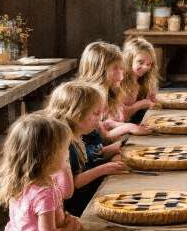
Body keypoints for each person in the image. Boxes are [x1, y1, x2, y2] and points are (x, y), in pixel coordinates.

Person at [43, 81, 127, 216]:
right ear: (76, 114)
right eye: (95, 113)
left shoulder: (79, 137)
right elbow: (74, 183)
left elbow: (91, 157)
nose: (100, 119)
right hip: (77, 207)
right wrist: (104, 168)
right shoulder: (65, 145)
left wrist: (111, 151)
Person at [78, 39, 149, 140]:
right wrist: (129, 127)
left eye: (121, 67)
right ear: (99, 71)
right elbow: (102, 138)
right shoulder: (88, 99)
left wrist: (143, 104)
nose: (122, 72)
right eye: (115, 68)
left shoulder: (112, 91)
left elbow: (115, 119)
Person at [120, 36, 161, 124]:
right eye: (141, 62)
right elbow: (121, 116)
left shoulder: (142, 81)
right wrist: (143, 103)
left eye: (149, 64)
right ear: (129, 59)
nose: (146, 67)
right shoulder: (118, 80)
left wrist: (150, 99)